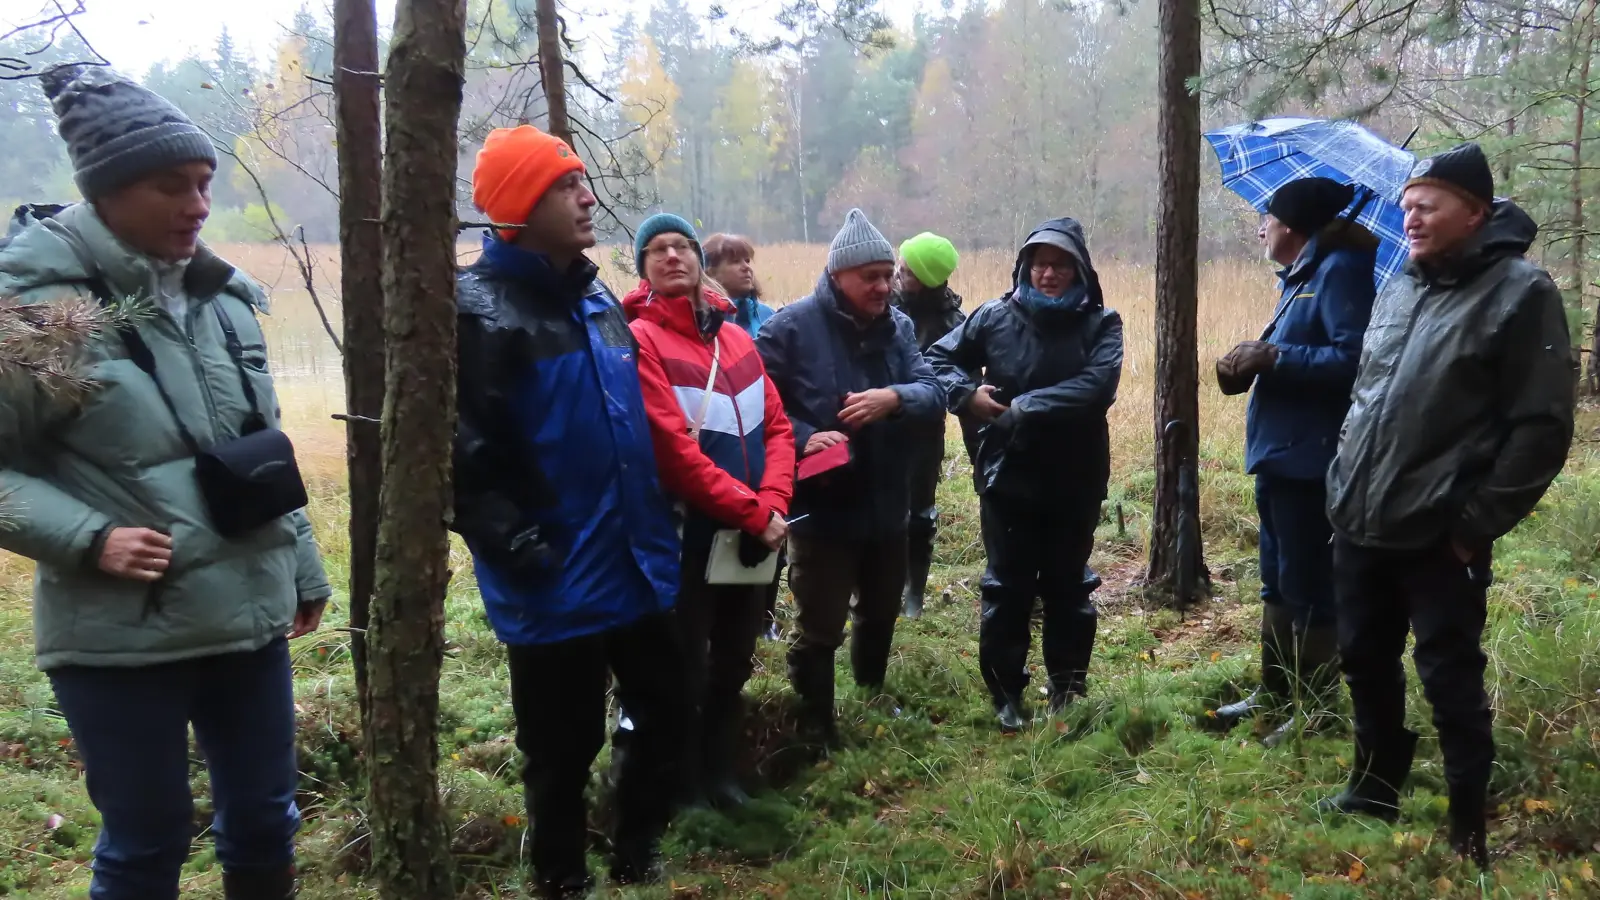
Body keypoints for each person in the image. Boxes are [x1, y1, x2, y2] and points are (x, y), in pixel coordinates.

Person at [0, 66, 332, 900]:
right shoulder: (39, 312)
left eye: (204, 184)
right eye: (170, 186)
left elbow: (260, 446)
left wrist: (301, 565)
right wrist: (88, 538)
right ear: (106, 192)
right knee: (147, 843)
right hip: (120, 636)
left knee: (264, 823)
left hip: (249, 620)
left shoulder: (220, 299)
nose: (197, 206)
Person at [1320, 143, 1576, 867]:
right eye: (1406, 204)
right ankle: (1373, 788)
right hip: (1360, 519)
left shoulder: (1521, 294)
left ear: (1476, 212)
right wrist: (1342, 478)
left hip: (1440, 536)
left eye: (1427, 204)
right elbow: (1369, 394)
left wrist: (1472, 528)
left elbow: (1542, 429)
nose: (1411, 216)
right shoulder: (1400, 285)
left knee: (1448, 676)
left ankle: (1468, 829)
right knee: (1364, 659)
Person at [452, 125, 686, 897]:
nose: (588, 197)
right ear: (520, 203)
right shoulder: (476, 312)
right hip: (553, 578)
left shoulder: (594, 296)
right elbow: (460, 458)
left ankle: (638, 847)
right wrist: (523, 550)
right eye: (565, 186)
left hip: (638, 558)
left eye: (583, 181)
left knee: (662, 708)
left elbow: (633, 422)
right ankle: (560, 877)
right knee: (560, 743)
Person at [621, 214, 795, 809]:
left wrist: (771, 504)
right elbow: (672, 451)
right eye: (657, 250)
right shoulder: (640, 340)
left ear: (698, 260)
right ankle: (682, 781)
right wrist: (754, 512)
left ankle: (721, 771)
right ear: (643, 268)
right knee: (682, 662)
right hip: (685, 532)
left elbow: (776, 427)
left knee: (734, 657)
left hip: (750, 531)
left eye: (682, 247)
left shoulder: (737, 339)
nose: (672, 257)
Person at [755, 209, 944, 745]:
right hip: (822, 508)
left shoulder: (899, 328)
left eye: (889, 275)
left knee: (881, 611)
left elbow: (933, 394)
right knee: (819, 624)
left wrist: (895, 397)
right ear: (838, 275)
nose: (884, 286)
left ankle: (869, 696)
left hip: (888, 501)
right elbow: (753, 402)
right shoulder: (791, 327)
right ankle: (815, 725)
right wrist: (800, 435)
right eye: (871, 276)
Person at [927, 218, 1122, 733]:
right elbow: (937, 359)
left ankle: (1068, 687)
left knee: (1068, 586)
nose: (1048, 273)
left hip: (1075, 475)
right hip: (1007, 472)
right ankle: (1005, 693)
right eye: (1039, 263)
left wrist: (1026, 407)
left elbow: (1098, 385)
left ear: (1079, 269)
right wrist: (966, 395)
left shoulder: (1102, 324)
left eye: (1059, 264)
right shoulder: (993, 316)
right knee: (1006, 587)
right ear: (1025, 266)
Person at [1212, 177, 1376, 747]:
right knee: (1278, 583)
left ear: (1294, 226)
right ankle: (1276, 692)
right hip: (1281, 458)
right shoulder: (1304, 277)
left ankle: (1319, 709)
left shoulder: (1340, 272)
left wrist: (1275, 356)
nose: (1262, 227)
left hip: (1311, 459)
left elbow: (1353, 358)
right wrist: (1250, 362)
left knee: (1310, 587)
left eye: (1270, 217)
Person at [703, 232, 785, 641]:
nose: (746, 267)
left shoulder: (769, 317)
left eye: (748, 259)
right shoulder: (709, 323)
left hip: (764, 440)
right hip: (717, 446)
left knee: (772, 533)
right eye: (734, 261)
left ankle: (764, 615)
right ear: (710, 270)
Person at [891, 232, 975, 619]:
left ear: (928, 279)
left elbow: (963, 383)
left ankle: (915, 594)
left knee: (919, 512)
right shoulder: (882, 305)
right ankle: (877, 588)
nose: (896, 273)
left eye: (906, 271)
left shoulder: (954, 323)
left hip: (923, 430)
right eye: (899, 265)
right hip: (873, 423)